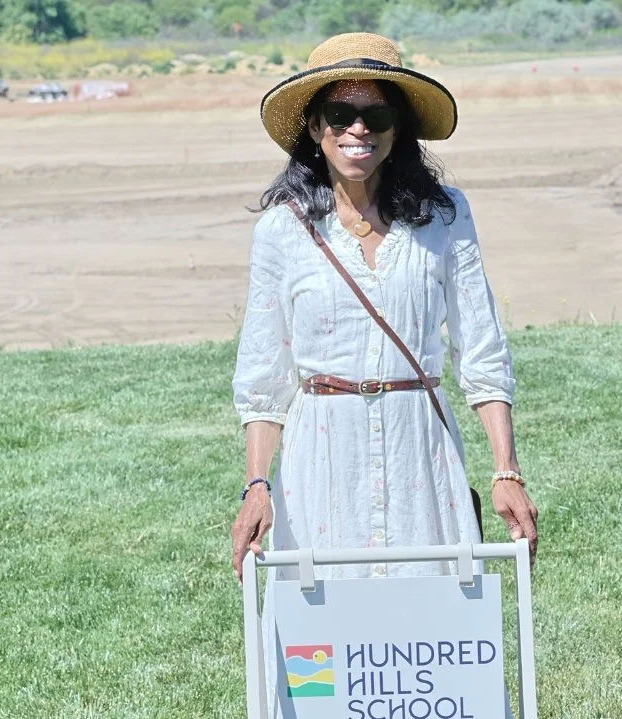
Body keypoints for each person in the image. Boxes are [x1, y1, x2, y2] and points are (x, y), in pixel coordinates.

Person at [230, 32, 538, 710]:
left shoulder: (447, 219)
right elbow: (263, 372)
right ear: (314, 128)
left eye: (376, 113)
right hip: (320, 464)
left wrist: (506, 469)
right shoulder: (282, 230)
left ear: (400, 128)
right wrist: (257, 484)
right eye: (341, 114)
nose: (358, 128)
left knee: (432, 647)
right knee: (324, 656)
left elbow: (482, 351)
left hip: (420, 457)